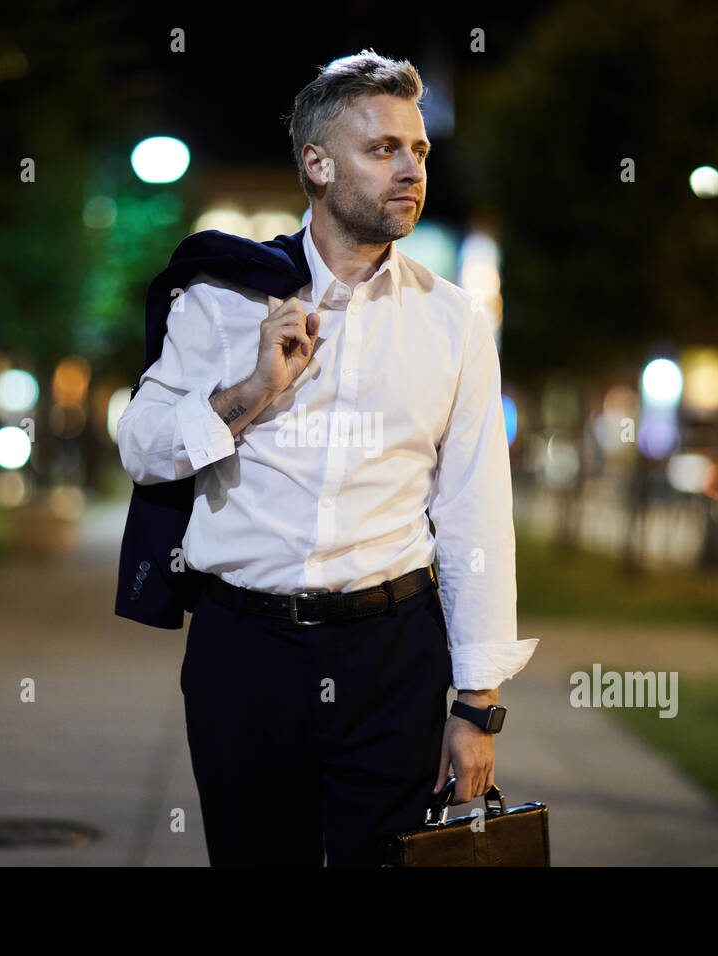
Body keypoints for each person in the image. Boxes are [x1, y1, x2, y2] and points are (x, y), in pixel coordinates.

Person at [116, 49, 538, 866]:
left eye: (418, 151)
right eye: (383, 149)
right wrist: (250, 392)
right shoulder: (222, 296)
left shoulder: (453, 324)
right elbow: (140, 448)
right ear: (316, 163)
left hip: (392, 658)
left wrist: (477, 704)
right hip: (245, 652)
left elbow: (475, 513)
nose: (410, 169)